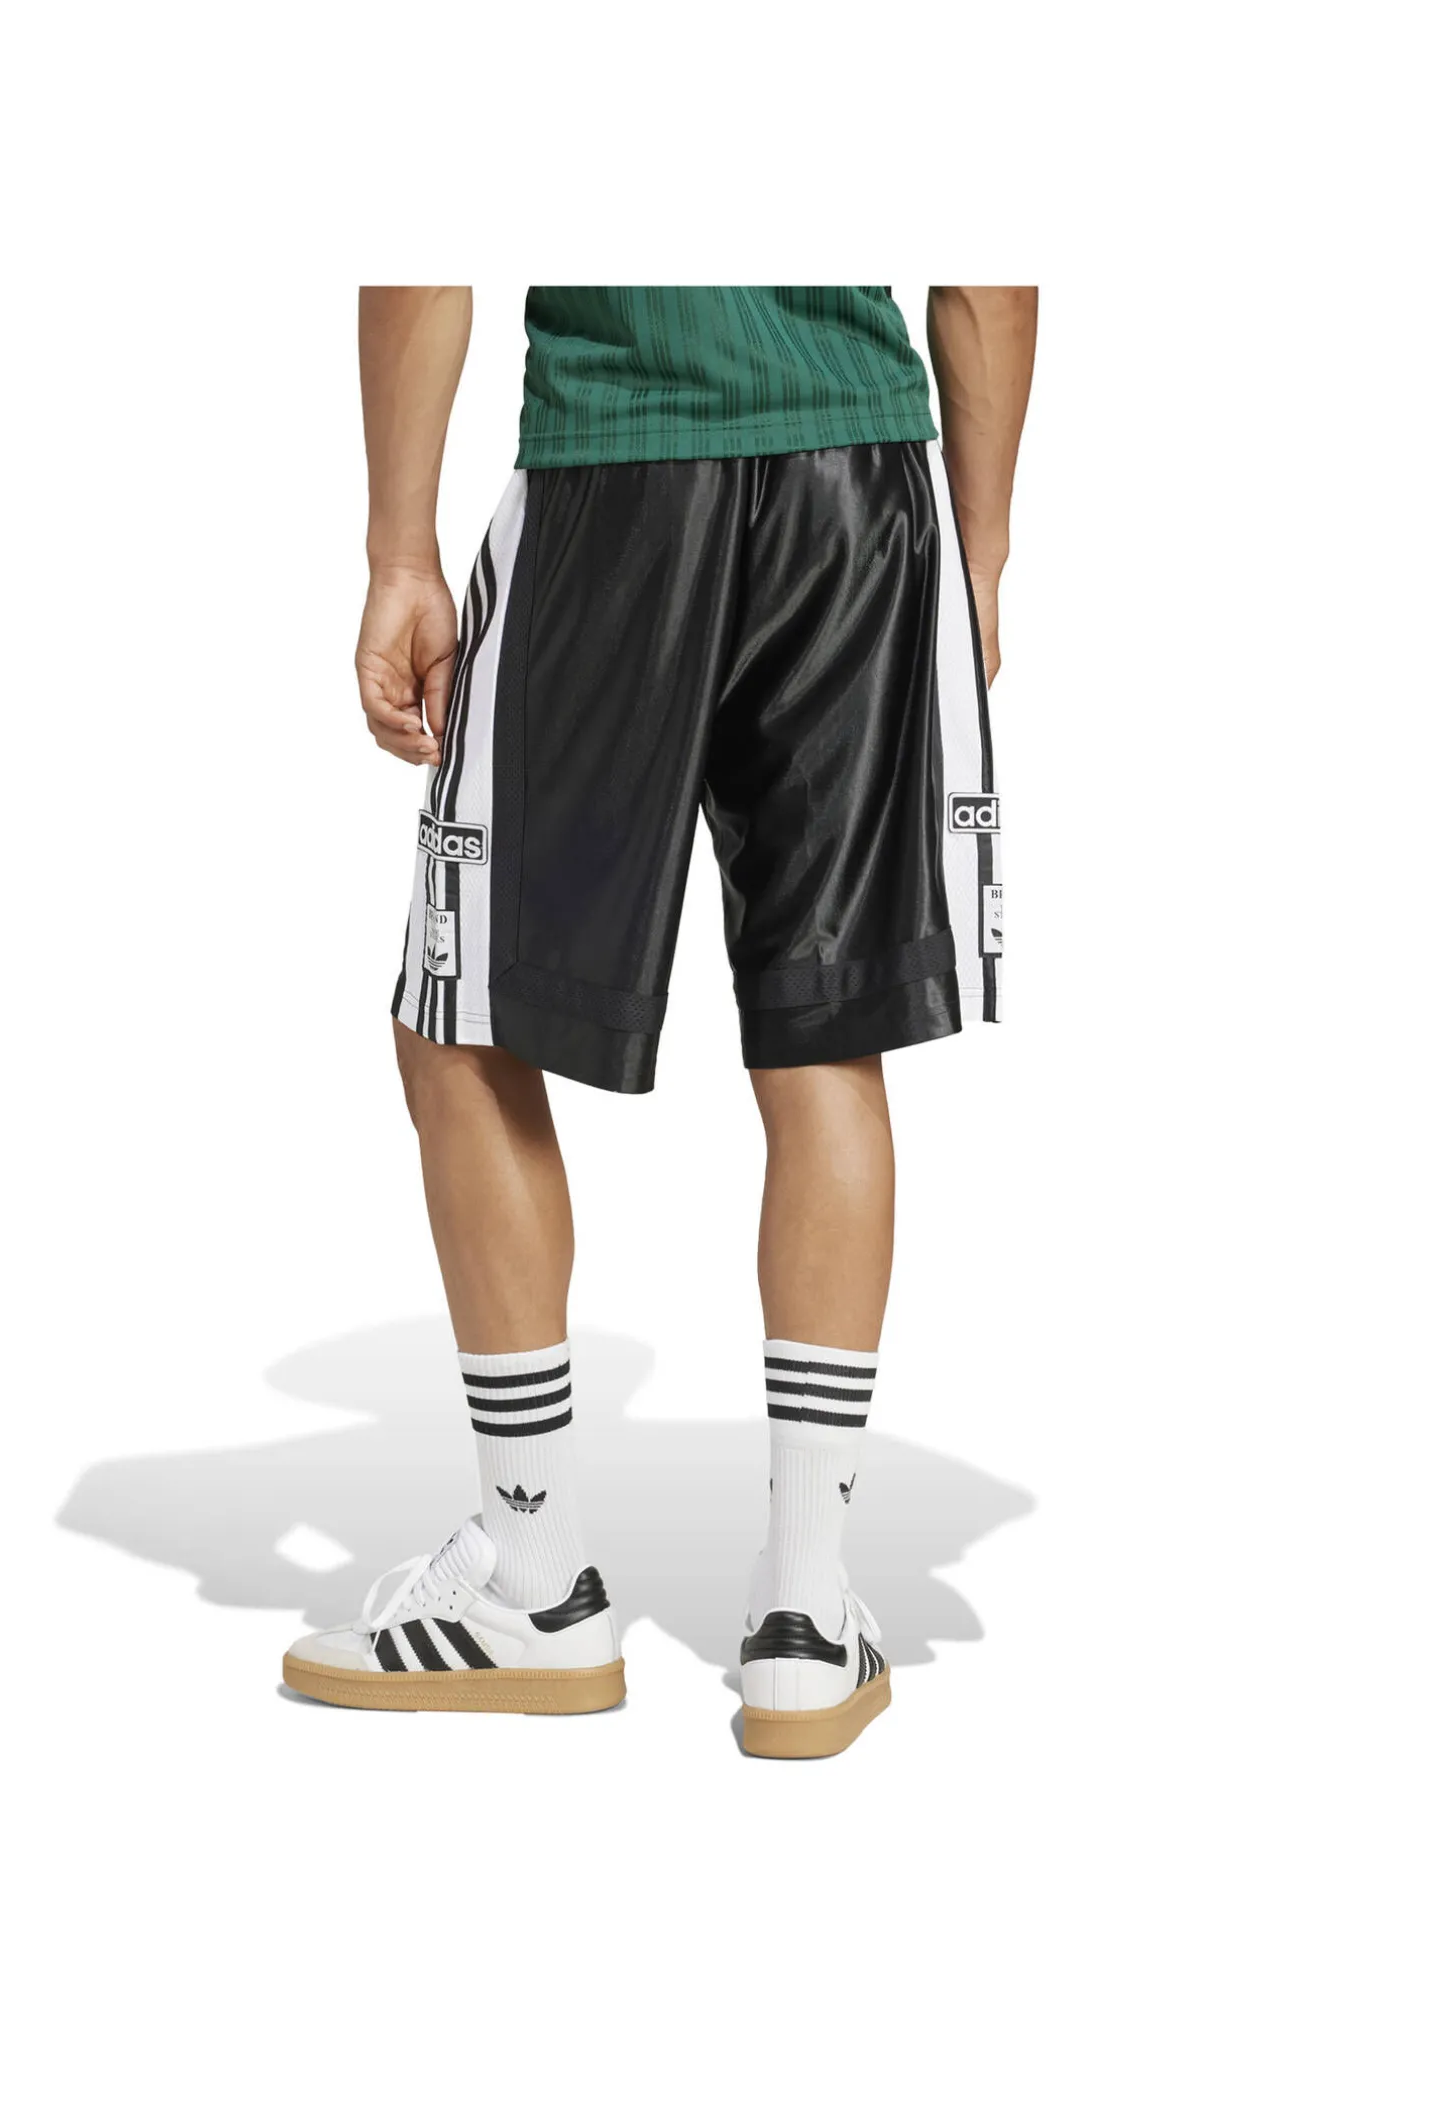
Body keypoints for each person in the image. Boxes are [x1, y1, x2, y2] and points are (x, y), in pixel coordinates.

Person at [282, 286, 1036, 1756]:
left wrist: (399, 553)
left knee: (463, 1017)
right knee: (825, 1038)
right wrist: (982, 548)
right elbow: (986, 274)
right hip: (862, 493)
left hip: (615, 468)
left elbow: (424, 242)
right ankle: (805, 1620)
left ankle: (534, 1576)